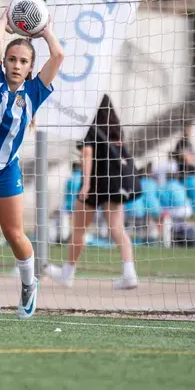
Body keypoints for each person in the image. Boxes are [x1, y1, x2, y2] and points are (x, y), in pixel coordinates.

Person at [0, 7, 63, 320]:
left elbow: (58, 55)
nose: (16, 65)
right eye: (12, 59)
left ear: (30, 67)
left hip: (6, 169)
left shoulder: (34, 91)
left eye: (23, 61)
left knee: (15, 234)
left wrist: (43, 29)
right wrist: (7, 17)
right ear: (3, 63)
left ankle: (29, 286)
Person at [48, 94, 139, 290]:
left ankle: (67, 273)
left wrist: (86, 184)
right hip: (114, 182)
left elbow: (87, 153)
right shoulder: (116, 131)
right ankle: (129, 272)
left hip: (96, 181)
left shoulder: (88, 125)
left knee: (79, 229)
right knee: (117, 227)